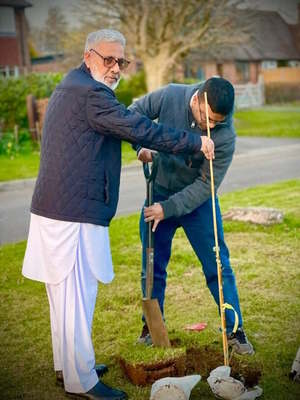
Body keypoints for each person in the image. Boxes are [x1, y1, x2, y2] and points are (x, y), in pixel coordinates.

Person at [22, 29, 214, 400]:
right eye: (107, 59)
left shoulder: (75, 86)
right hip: (70, 213)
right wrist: (196, 141)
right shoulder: (90, 94)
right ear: (88, 55)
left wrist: (136, 146)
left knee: (64, 298)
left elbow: (112, 126)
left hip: (62, 209)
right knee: (75, 295)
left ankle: (69, 367)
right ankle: (82, 381)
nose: (114, 68)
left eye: (120, 61)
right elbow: (137, 125)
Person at [130, 77, 254, 355]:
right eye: (206, 118)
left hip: (198, 203)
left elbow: (205, 186)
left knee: (218, 266)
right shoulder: (171, 96)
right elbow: (132, 114)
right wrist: (140, 146)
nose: (210, 126)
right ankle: (151, 328)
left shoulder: (225, 135)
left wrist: (169, 209)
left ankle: (235, 331)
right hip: (158, 192)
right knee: (152, 265)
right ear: (196, 99)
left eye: (217, 122)